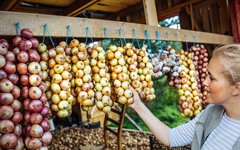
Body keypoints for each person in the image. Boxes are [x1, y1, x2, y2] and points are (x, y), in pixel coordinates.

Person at [129, 44, 240, 150]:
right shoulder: (211, 112)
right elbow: (170, 137)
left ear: (236, 88)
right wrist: (137, 104)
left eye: (212, 78)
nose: (205, 82)